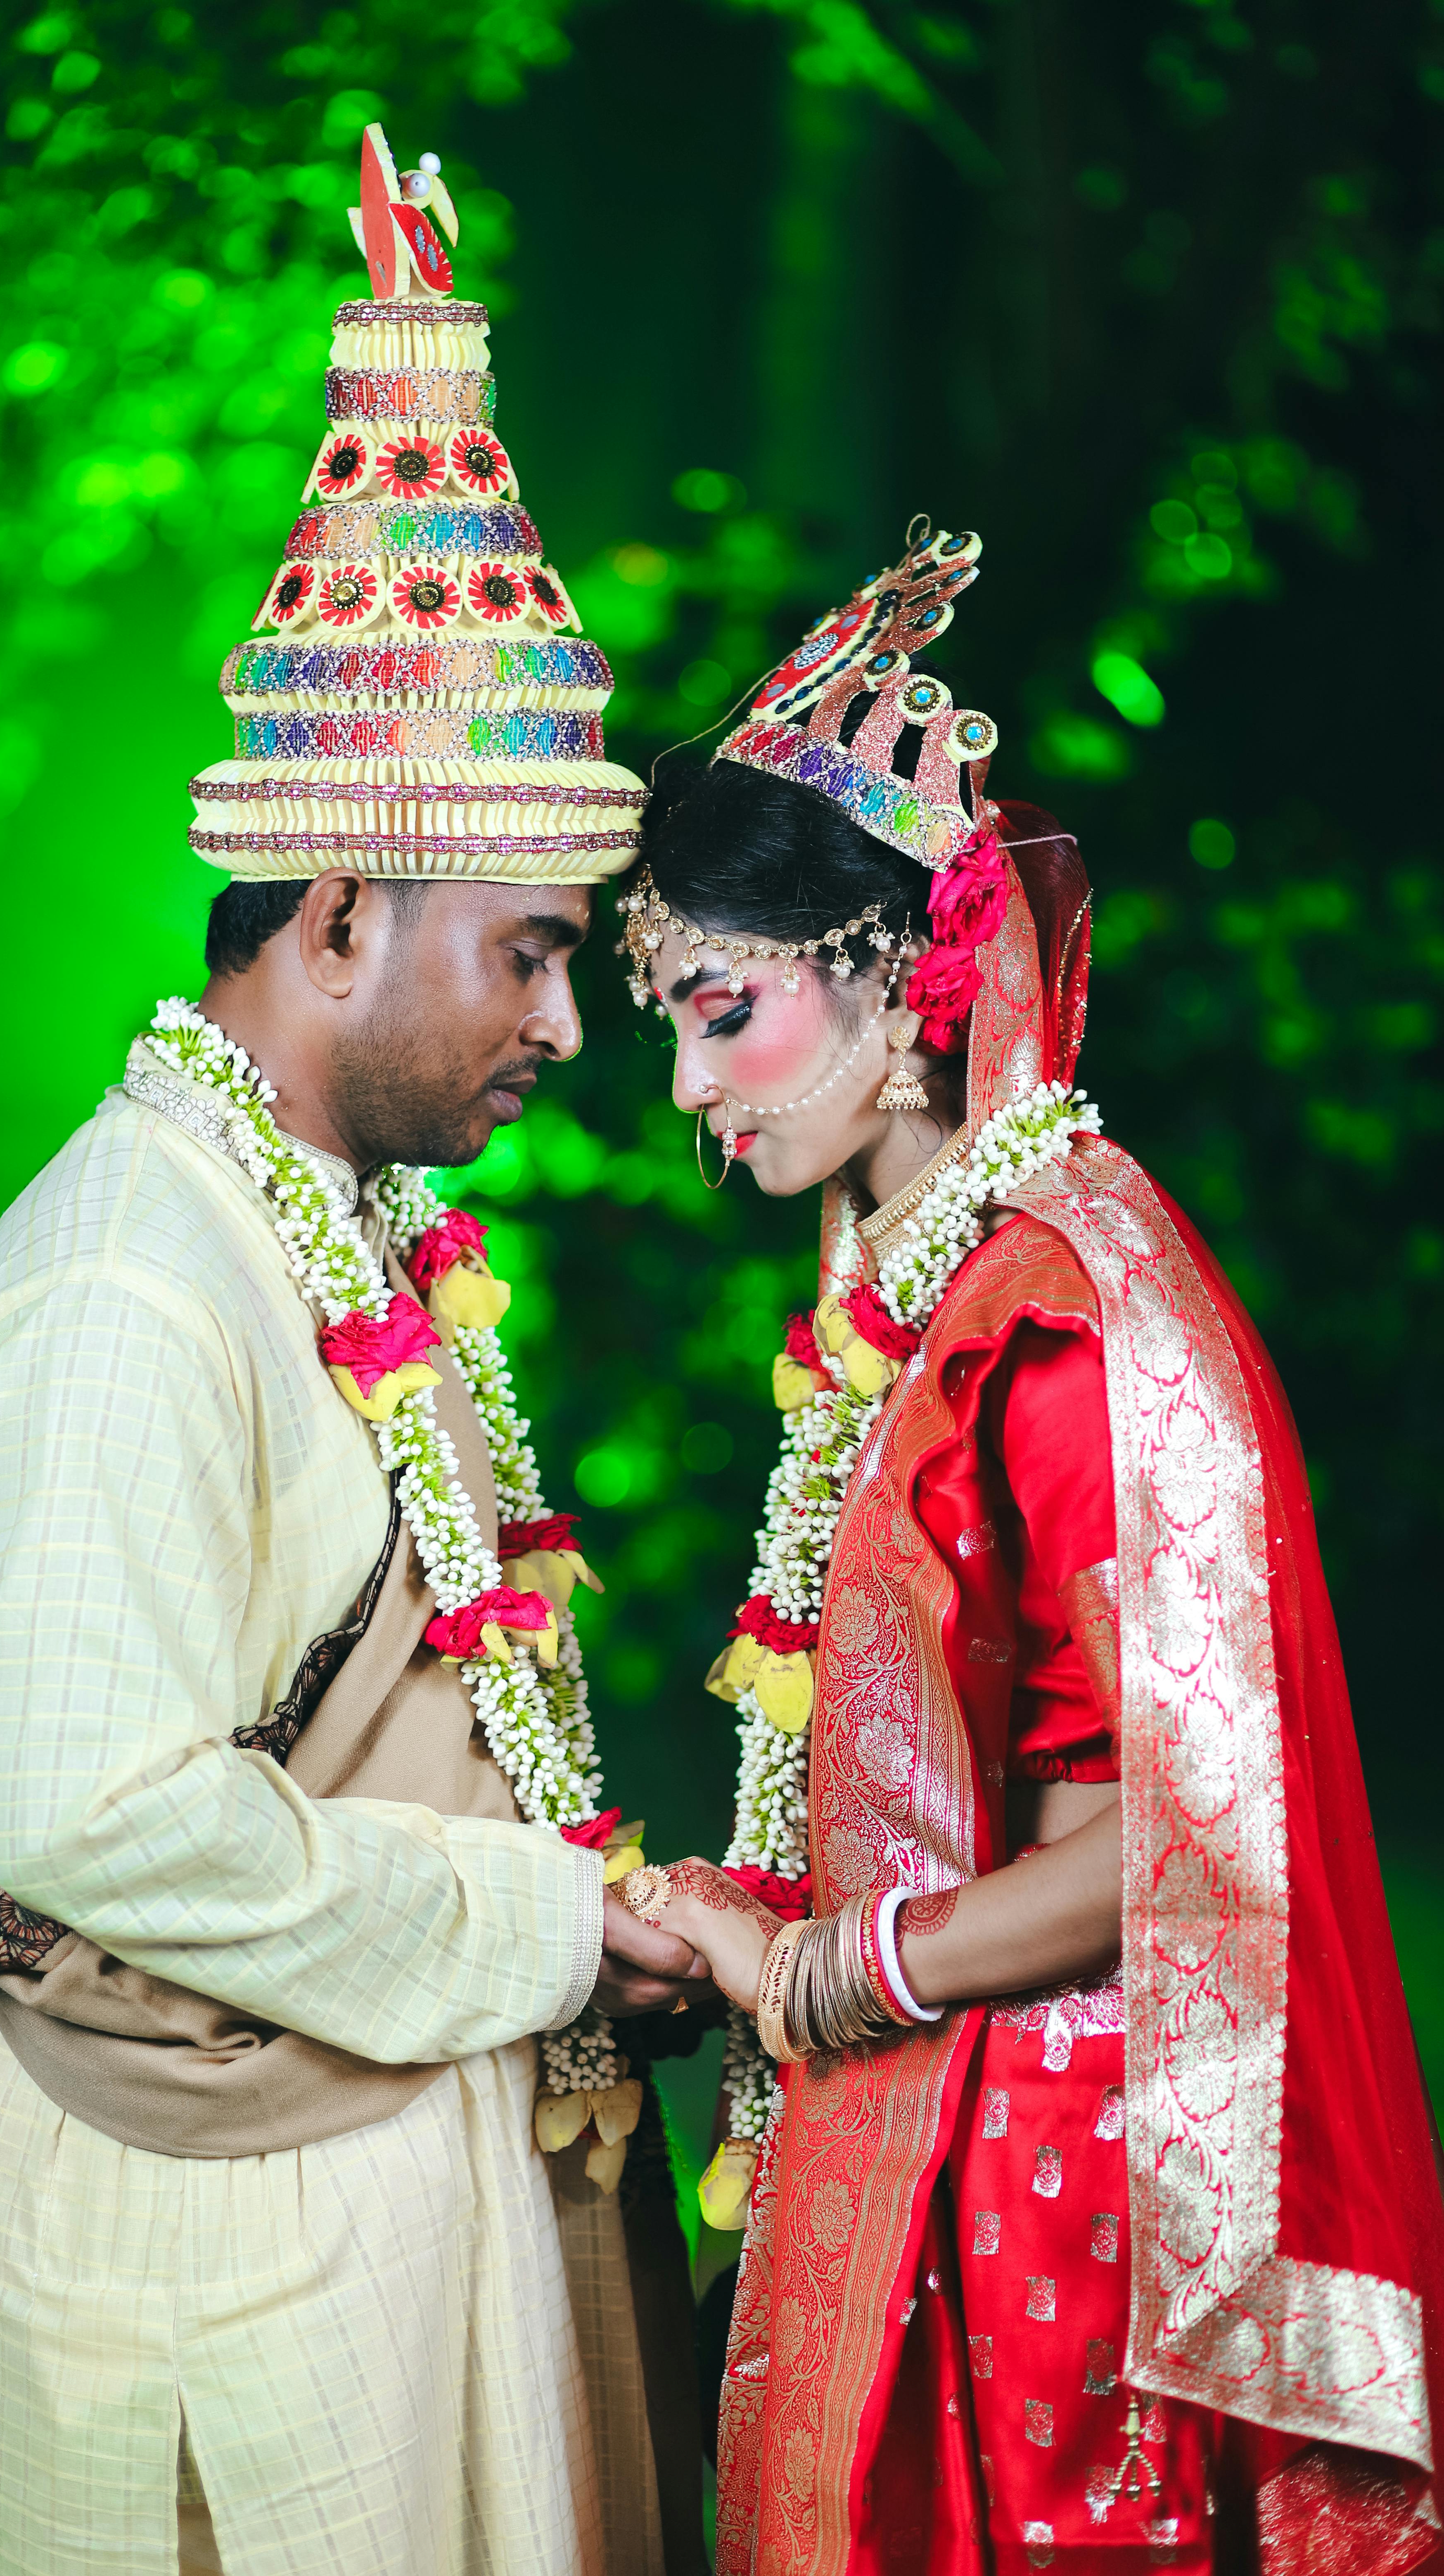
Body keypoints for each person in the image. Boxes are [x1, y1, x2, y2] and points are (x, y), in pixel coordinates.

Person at [0, 127, 711, 2576]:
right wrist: (552, 1927)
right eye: (526, 955)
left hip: (390, 2174)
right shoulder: (140, 1283)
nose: (567, 1020)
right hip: (241, 2255)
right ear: (338, 912)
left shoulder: (344, 1212)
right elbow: (101, 1813)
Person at [610, 521, 1444, 2572]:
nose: (696, 1095)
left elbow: (1165, 1839)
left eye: (723, 1012)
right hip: (926, 2113)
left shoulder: (1061, 1320)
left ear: (894, 970)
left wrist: (807, 1972)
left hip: (1039, 2193)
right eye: (669, 1029)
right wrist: (728, 1913)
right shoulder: (927, 1284)